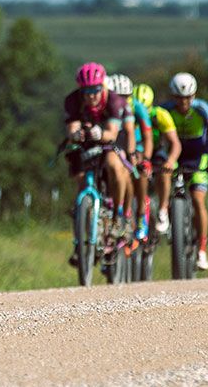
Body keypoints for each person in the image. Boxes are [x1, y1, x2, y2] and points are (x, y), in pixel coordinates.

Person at [63, 62, 134, 266]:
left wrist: (99, 133)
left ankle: (118, 215)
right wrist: (76, 133)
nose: (90, 96)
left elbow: (112, 133)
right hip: (86, 139)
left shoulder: (114, 101)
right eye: (85, 91)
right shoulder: (73, 100)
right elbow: (72, 127)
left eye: (94, 90)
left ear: (102, 86)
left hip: (111, 138)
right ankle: (80, 239)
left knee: (114, 164)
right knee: (80, 177)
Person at [160, 72, 208, 271]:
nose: (183, 102)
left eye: (187, 98)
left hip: (198, 157)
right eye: (179, 98)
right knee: (165, 176)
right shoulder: (166, 110)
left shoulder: (202, 108)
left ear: (193, 96)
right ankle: (166, 214)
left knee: (197, 199)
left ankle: (202, 249)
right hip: (175, 154)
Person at [131, 83, 182, 235]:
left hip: (157, 152)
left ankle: (163, 209)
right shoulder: (130, 116)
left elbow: (175, 143)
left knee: (165, 172)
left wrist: (171, 161)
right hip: (139, 150)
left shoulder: (160, 115)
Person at [108, 73, 152, 240]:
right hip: (116, 144)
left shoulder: (137, 107)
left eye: (125, 97)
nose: (122, 100)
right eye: (118, 96)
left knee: (139, 171)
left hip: (136, 145)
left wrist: (146, 159)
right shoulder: (108, 106)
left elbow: (147, 136)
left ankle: (141, 215)